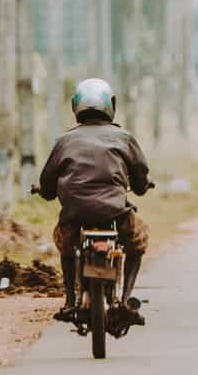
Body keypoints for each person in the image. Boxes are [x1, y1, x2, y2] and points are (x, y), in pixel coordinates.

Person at [37, 78, 152, 325]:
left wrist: (46, 191)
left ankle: (69, 301)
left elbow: (47, 183)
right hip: (116, 213)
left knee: (67, 249)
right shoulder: (124, 138)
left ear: (75, 106)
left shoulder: (64, 141)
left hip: (74, 216)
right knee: (137, 242)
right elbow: (140, 180)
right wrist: (141, 186)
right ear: (111, 105)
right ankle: (126, 298)